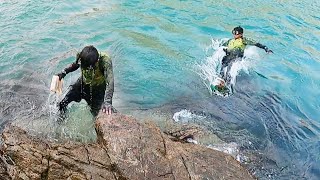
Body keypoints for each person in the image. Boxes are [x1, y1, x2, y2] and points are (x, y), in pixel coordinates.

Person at [56, 45, 115, 118]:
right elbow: (76, 65)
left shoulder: (105, 61)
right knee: (62, 103)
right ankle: (61, 123)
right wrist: (64, 72)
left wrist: (108, 102)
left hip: (98, 90)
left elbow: (110, 82)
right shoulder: (81, 56)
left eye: (88, 68)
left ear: (96, 62)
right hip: (81, 84)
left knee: (97, 116)